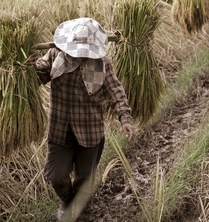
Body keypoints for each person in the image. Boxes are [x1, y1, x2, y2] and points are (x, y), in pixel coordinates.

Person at [35, 17, 136, 221]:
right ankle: (69, 202)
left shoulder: (101, 64)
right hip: (60, 130)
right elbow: (38, 73)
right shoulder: (56, 55)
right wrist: (20, 66)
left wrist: (125, 118)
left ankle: (80, 212)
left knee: (84, 180)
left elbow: (116, 91)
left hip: (90, 133)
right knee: (56, 176)